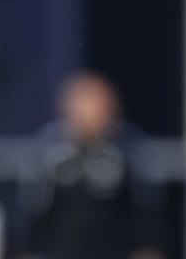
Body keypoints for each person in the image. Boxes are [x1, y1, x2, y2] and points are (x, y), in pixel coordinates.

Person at [13, 70, 167, 259]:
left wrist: (147, 250)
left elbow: (146, 217)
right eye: (83, 104)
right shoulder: (48, 153)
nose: (90, 113)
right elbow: (32, 217)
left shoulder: (128, 151)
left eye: (98, 104)